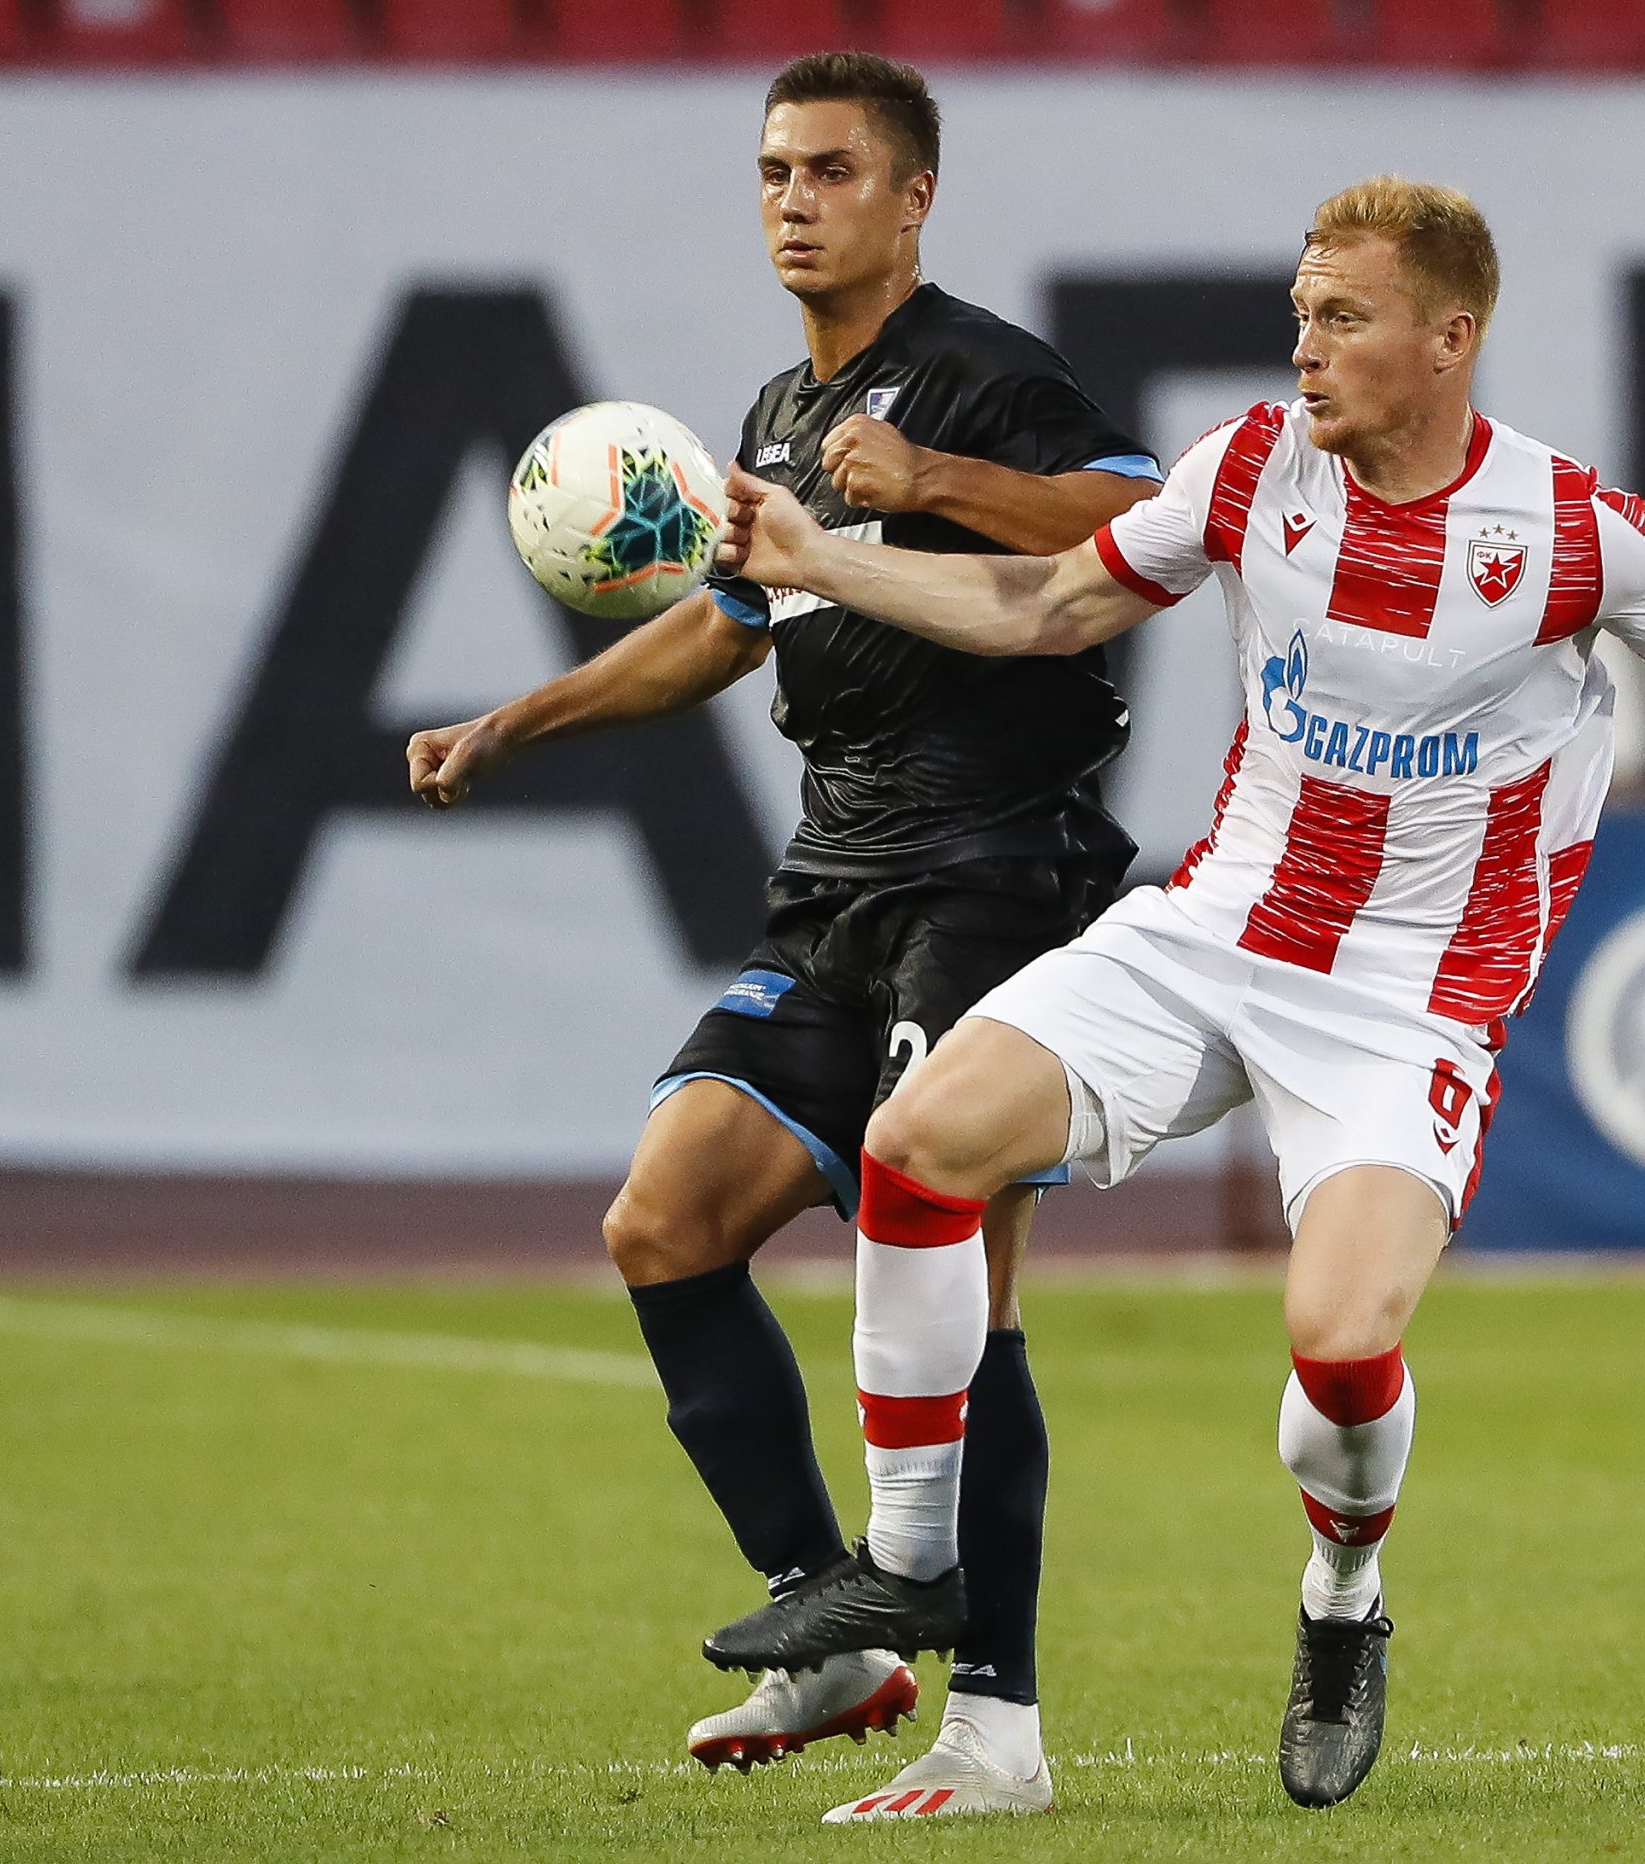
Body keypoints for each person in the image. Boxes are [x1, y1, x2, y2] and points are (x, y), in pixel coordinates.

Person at [699, 175, 1645, 1815]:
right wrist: (824, 559)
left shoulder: (1573, 532)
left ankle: (1343, 1598)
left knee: (1338, 1345)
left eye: (1342, 318)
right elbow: (1044, 604)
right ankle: (914, 1569)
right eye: (1300, 311)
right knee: (921, 1140)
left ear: (1451, 336)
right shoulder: (1248, 472)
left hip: (1409, 1002)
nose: (1305, 346)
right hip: (1217, 932)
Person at [405, 51, 1159, 1821]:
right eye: (770, 172)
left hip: (998, 877)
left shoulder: (990, 375)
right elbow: (729, 624)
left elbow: (1151, 520)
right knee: (662, 1220)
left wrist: (941, 477)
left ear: (911, 197)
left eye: (830, 168)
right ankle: (838, 1632)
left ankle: (1001, 1731)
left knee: (965, 1290)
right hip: (838, 886)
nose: (793, 199)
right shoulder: (776, 415)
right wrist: (516, 720)